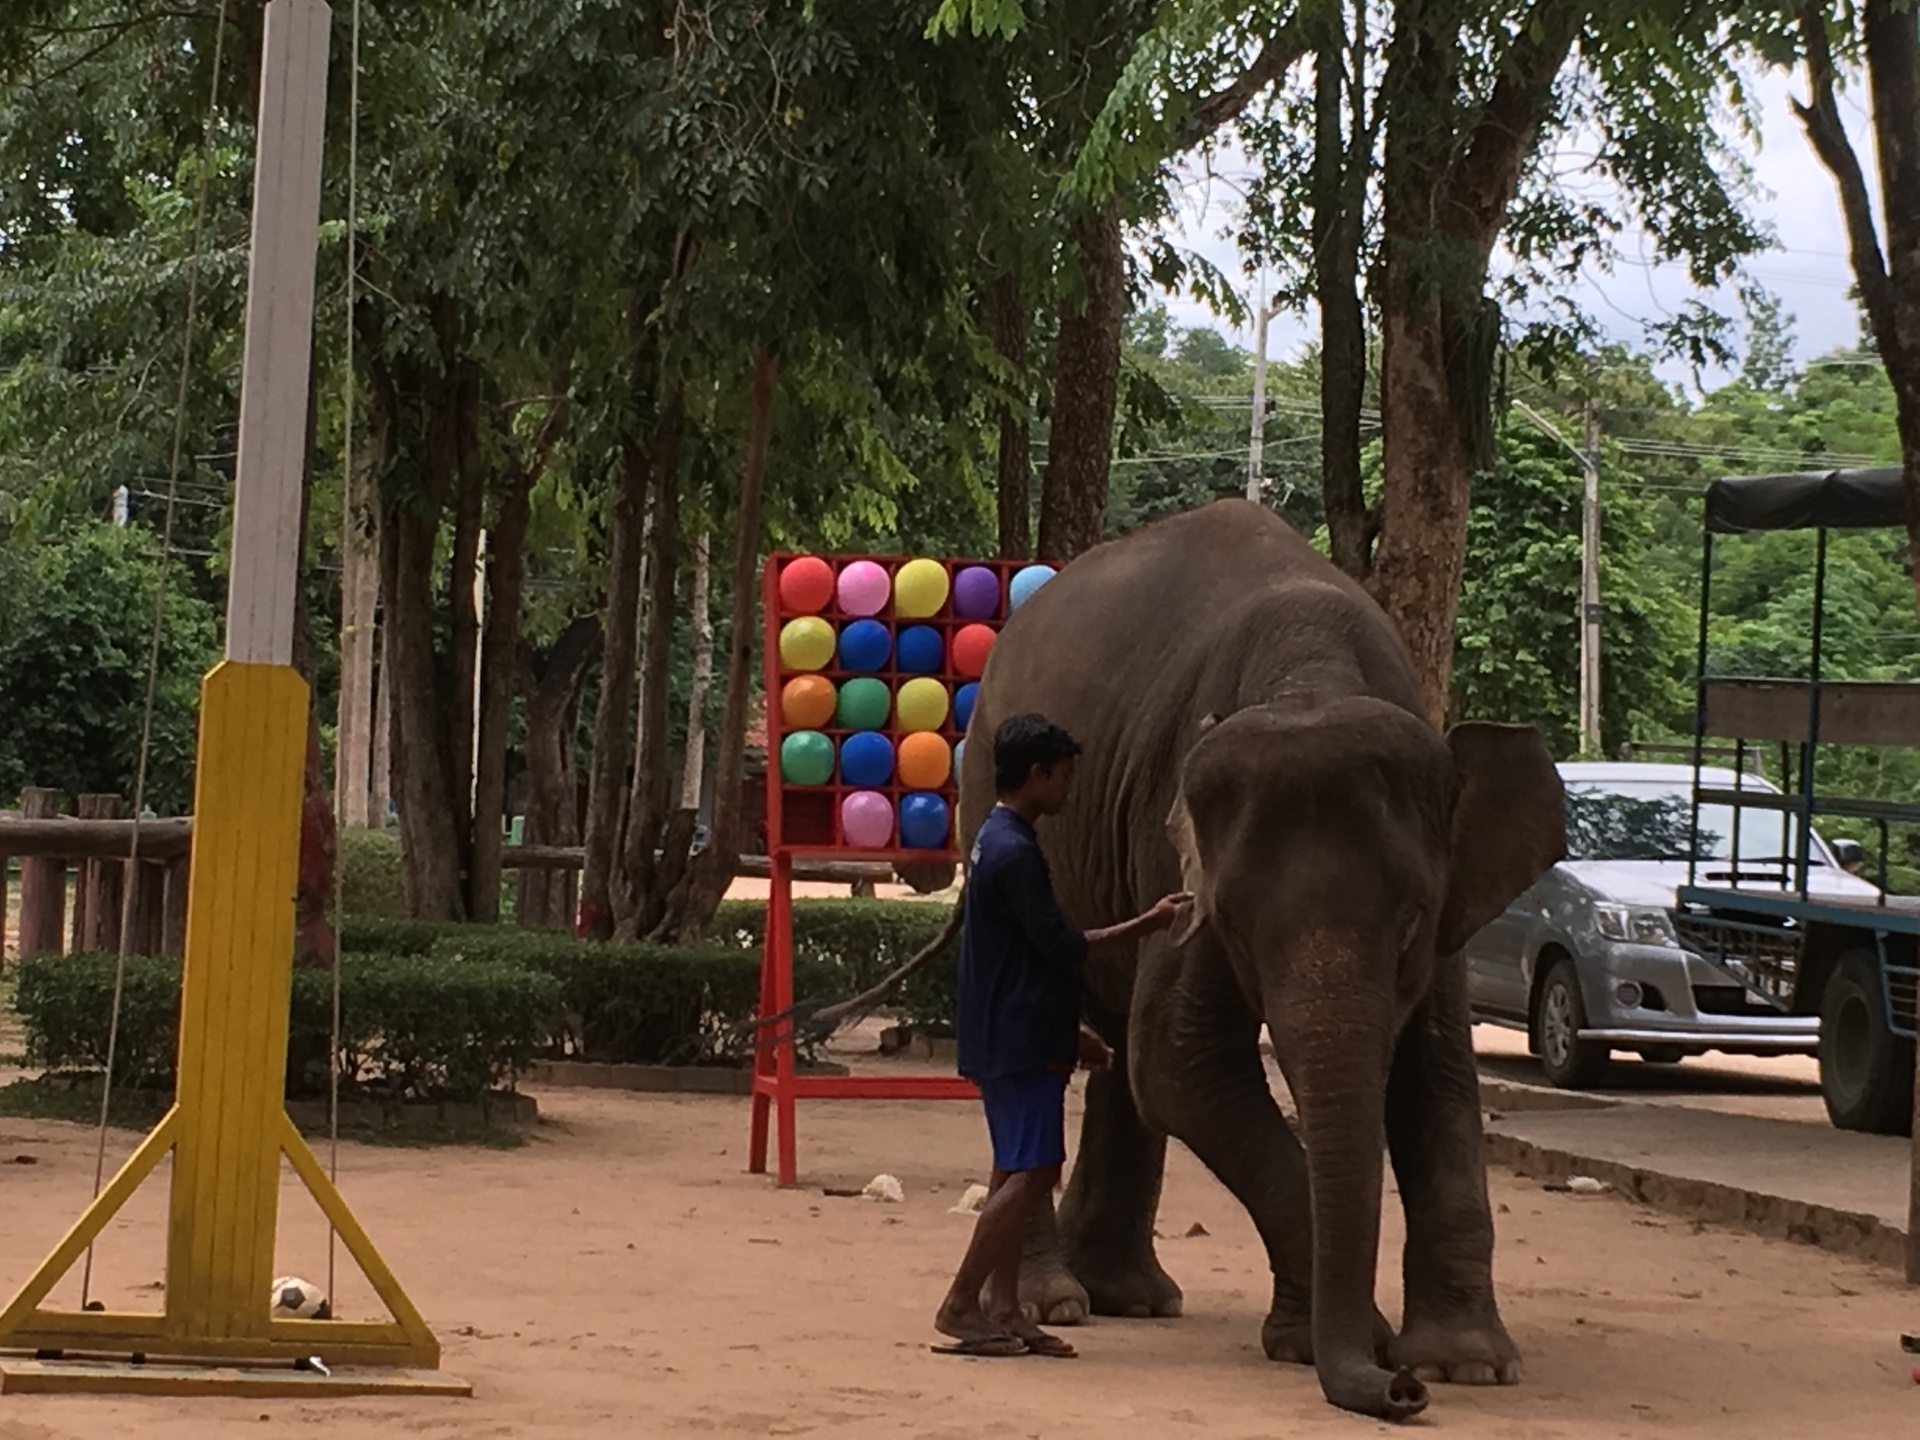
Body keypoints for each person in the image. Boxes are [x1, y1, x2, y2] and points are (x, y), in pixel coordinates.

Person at [932, 713, 1190, 1359]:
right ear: (1038, 775)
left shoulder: (995, 838)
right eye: (1066, 775)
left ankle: (1003, 1307)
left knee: (1011, 1169)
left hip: (1009, 1029)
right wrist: (1150, 923)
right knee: (1036, 1169)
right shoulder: (1017, 851)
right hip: (1020, 1039)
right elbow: (1062, 947)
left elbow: (1026, 955)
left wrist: (1068, 1026)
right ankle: (962, 1303)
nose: (1071, 788)